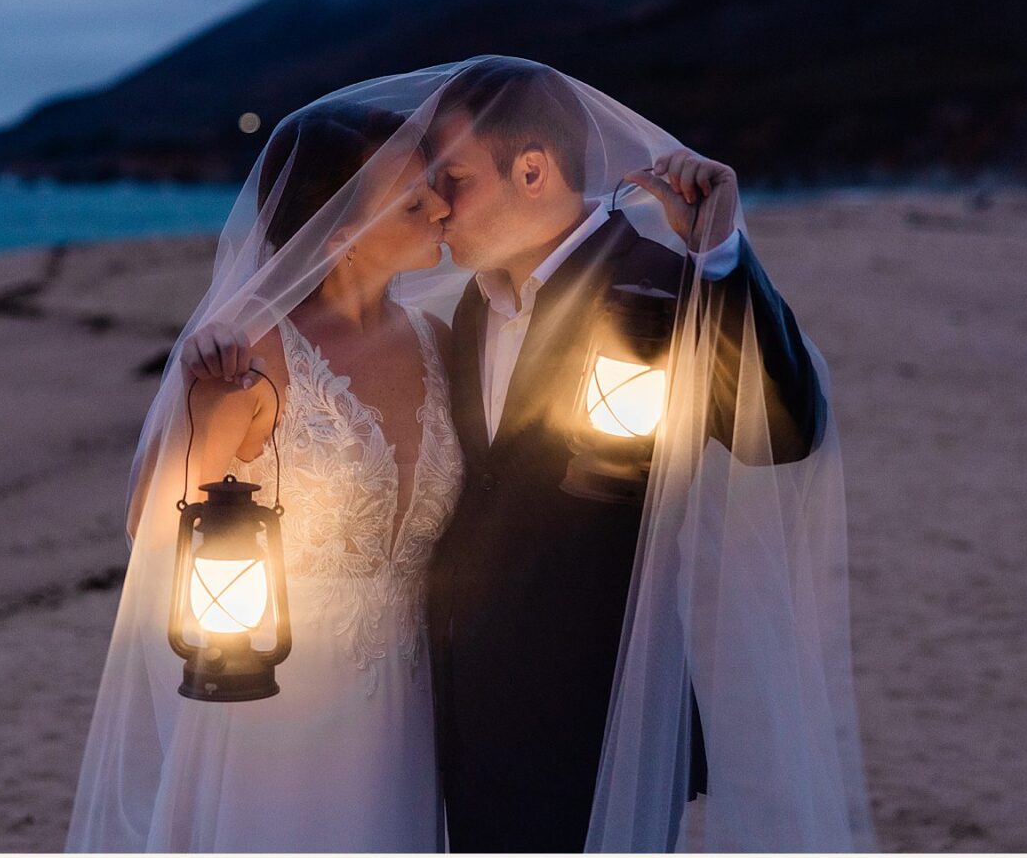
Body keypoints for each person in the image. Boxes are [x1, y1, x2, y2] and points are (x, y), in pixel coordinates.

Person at [156, 56, 876, 853]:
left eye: (454, 177)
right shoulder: (465, 313)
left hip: (594, 722)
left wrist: (720, 256)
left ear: (532, 171)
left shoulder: (660, 289)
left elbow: (786, 431)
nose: (436, 202)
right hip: (446, 726)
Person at [66, 98, 462, 851]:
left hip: (409, 705)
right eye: (415, 202)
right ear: (340, 233)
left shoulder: (439, 341)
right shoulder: (254, 355)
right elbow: (151, 528)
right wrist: (202, 407)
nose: (443, 207)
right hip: (273, 704)